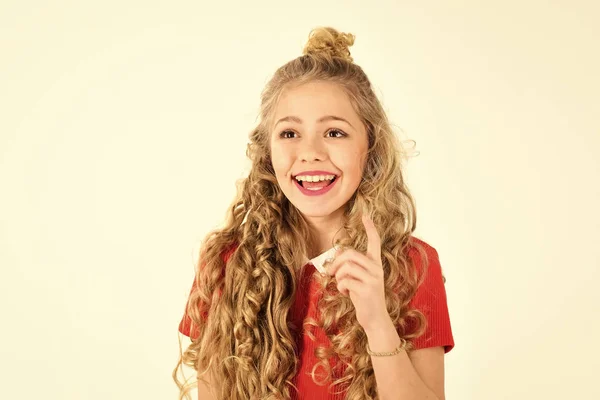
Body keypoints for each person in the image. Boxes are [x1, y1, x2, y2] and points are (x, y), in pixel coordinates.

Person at [173, 26, 454, 400]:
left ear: (369, 147)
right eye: (289, 134)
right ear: (267, 152)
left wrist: (377, 322)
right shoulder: (225, 263)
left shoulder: (413, 265)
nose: (310, 153)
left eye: (334, 133)